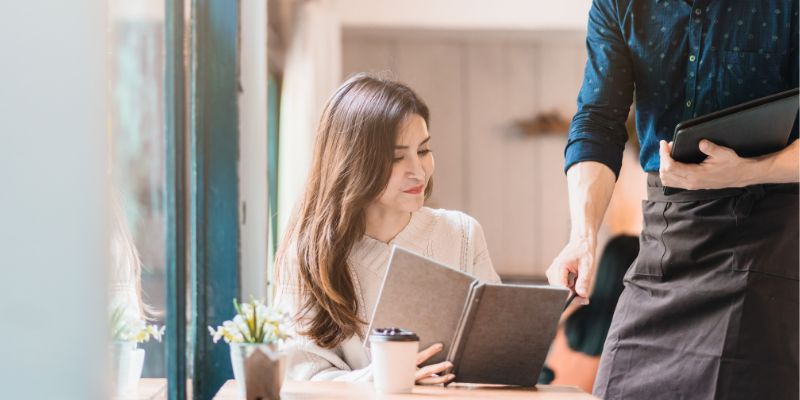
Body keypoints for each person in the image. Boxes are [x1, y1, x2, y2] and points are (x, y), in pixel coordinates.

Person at [547, 2, 799, 399]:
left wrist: (749, 170)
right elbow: (597, 121)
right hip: (664, 239)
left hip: (763, 240)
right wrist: (583, 236)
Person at [274, 73, 501, 384]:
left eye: (423, 151)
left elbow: (496, 356)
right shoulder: (308, 255)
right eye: (397, 157)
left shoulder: (462, 234)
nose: (418, 171)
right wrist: (384, 377)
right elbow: (301, 377)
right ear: (353, 163)